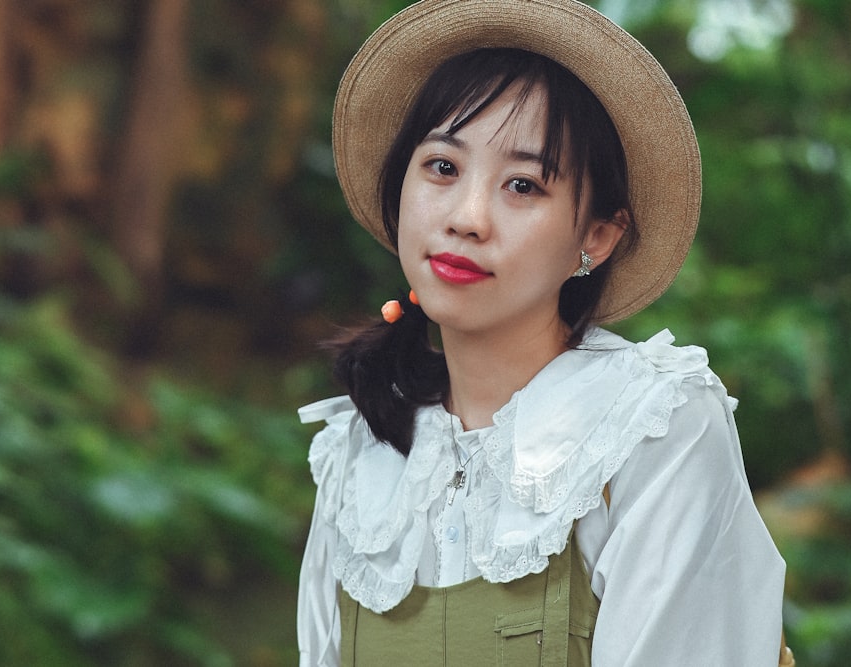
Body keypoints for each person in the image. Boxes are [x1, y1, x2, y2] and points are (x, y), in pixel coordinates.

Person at [297, 0, 789, 664]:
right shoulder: (358, 454)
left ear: (597, 235)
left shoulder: (648, 427)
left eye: (523, 185)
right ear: (400, 188)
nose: (468, 217)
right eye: (443, 167)